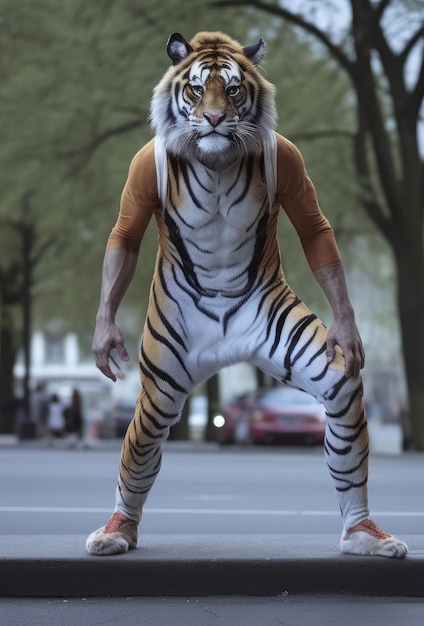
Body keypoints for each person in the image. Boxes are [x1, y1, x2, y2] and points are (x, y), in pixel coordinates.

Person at [85, 31, 407, 559]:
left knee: (342, 382)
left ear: (253, 96)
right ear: (175, 95)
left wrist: (344, 318)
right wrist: (104, 317)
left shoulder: (279, 156)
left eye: (232, 94)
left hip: (263, 302)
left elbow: (315, 230)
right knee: (151, 417)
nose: (213, 110)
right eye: (198, 94)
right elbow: (124, 237)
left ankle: (357, 523)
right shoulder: (154, 161)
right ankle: (125, 515)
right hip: (181, 310)